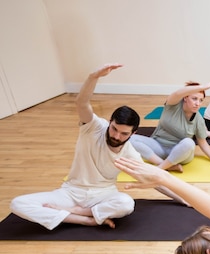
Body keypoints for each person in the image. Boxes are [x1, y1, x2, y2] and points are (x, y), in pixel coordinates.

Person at [9, 64, 182, 230]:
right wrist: (93, 77)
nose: (116, 136)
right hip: (70, 192)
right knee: (18, 203)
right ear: (109, 122)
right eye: (114, 129)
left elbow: (153, 180)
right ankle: (85, 220)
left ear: (133, 133)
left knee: (126, 203)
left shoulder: (129, 152)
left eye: (124, 134)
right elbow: (81, 103)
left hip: (102, 195)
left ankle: (80, 213)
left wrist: (182, 199)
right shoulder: (93, 127)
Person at [130, 82, 210, 172]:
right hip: (159, 146)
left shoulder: (198, 119)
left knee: (189, 143)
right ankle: (167, 165)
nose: (198, 103)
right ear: (185, 97)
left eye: (201, 100)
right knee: (130, 138)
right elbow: (177, 93)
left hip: (180, 154)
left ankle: (159, 169)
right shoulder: (172, 105)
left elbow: (202, 142)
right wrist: (202, 87)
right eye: (194, 98)